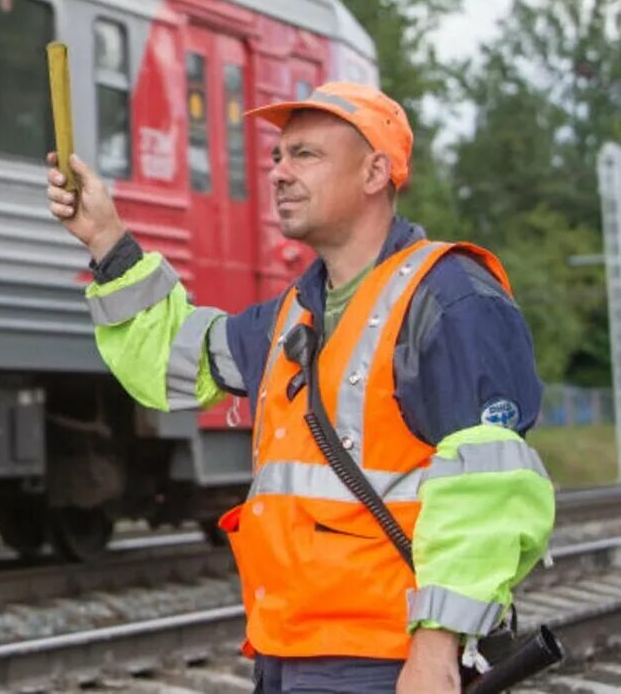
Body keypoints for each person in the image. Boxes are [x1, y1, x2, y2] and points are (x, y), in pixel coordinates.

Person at [45, 81, 555, 694]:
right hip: (290, 654)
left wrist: (436, 648)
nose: (280, 173)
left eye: (305, 155)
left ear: (375, 172)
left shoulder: (452, 301)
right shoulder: (295, 315)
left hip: (386, 661)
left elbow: (491, 491)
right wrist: (106, 240)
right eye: (277, 157)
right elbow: (173, 358)